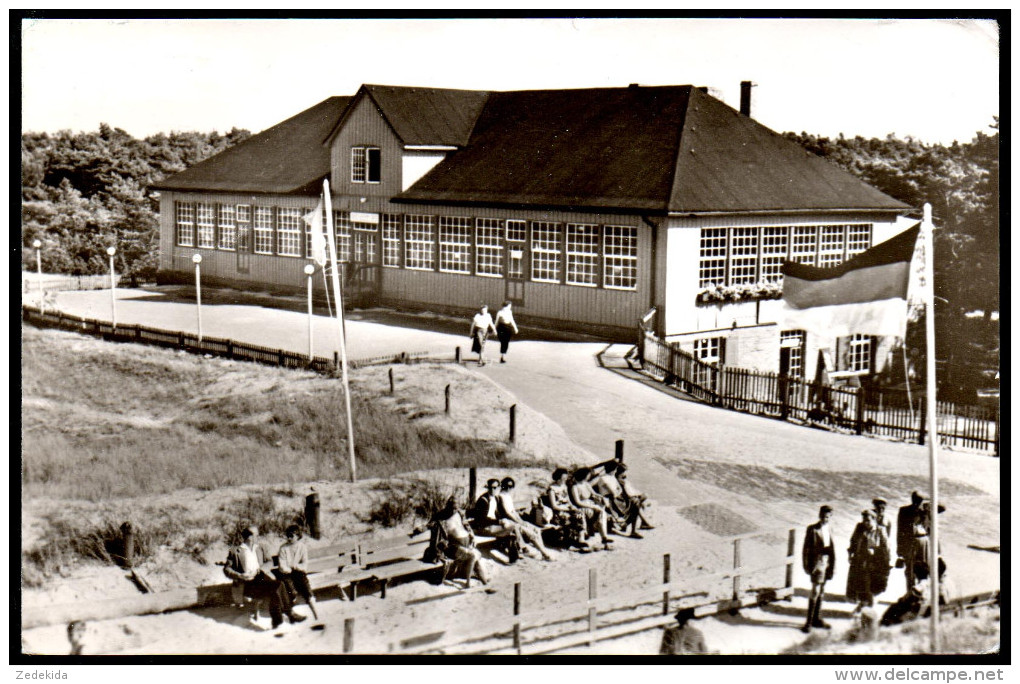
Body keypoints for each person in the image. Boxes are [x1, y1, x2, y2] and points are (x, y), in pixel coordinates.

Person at [223, 526, 305, 629]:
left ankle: (279, 620)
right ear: (249, 537)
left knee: (278, 586)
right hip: (247, 583)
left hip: (261, 578)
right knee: (277, 587)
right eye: (256, 535)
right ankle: (285, 617)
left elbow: (270, 561)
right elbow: (227, 569)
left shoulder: (260, 547)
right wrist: (239, 575)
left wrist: (260, 569)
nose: (258, 536)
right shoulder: (235, 551)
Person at [429, 496, 495, 591]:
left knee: (476, 557)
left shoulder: (460, 513)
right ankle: (468, 583)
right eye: (452, 507)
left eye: (456, 507)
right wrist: (419, 530)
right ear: (447, 505)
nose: (454, 509)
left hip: (466, 544)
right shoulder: (440, 517)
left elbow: (467, 526)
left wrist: (472, 536)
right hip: (452, 547)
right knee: (472, 556)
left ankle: (484, 582)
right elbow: (430, 526)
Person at [496, 477, 555, 561]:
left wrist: (521, 520)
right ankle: (544, 553)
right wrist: (519, 522)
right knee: (531, 533)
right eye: (507, 486)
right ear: (502, 486)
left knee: (536, 530)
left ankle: (543, 551)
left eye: (511, 486)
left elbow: (513, 511)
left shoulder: (507, 496)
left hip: (515, 520)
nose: (509, 488)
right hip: (509, 521)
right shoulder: (500, 496)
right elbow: (507, 513)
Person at [845, 509, 891, 615]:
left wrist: (883, 560)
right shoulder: (859, 527)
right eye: (864, 520)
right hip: (860, 561)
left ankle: (868, 608)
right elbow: (853, 541)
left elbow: (886, 548)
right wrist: (850, 553)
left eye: (868, 520)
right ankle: (863, 605)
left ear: (874, 520)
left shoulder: (880, 530)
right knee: (860, 585)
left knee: (872, 586)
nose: (865, 522)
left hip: (874, 563)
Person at [469, 478, 523, 563]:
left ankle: (515, 554)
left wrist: (501, 520)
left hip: (492, 525)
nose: (492, 490)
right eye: (490, 488)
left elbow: (498, 514)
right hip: (483, 527)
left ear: (499, 488)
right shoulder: (483, 500)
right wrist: (498, 522)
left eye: (495, 488)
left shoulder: (496, 499)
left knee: (510, 528)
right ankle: (517, 551)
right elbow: (482, 520)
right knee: (512, 528)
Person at [801, 505, 836, 633]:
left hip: (827, 562)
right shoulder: (812, 529)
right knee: (815, 590)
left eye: (827, 517)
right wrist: (806, 565)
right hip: (817, 563)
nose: (824, 519)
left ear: (830, 517)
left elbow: (832, 547)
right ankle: (809, 622)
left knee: (821, 590)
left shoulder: (830, 528)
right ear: (819, 515)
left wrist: (833, 565)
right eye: (822, 516)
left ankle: (817, 619)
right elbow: (806, 549)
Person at [275, 524, 320, 620]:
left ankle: (315, 612)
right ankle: (289, 611)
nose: (289, 538)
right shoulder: (283, 548)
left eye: (292, 536)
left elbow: (304, 565)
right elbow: (282, 565)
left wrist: (294, 566)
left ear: (298, 536)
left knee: (305, 585)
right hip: (286, 574)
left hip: (298, 572)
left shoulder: (302, 547)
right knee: (290, 588)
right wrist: (290, 569)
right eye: (288, 535)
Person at [592, 461, 643, 538]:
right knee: (634, 502)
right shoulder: (603, 478)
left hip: (616, 498)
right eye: (615, 469)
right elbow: (613, 492)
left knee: (636, 502)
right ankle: (628, 527)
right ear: (613, 469)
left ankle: (632, 529)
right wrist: (616, 491)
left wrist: (617, 492)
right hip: (610, 500)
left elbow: (619, 490)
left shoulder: (612, 477)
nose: (616, 471)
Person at [568, 467, 614, 547]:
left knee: (602, 512)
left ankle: (604, 536)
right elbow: (577, 502)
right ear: (584, 475)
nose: (589, 476)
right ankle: (599, 534)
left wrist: (603, 498)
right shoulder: (575, 487)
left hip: (590, 504)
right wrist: (593, 506)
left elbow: (594, 493)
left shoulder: (586, 484)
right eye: (588, 475)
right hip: (582, 506)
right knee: (599, 510)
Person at [545, 467, 587, 546]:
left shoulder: (564, 487)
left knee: (579, 514)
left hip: (567, 508)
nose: (565, 480)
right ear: (558, 478)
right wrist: (567, 510)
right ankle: (569, 540)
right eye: (563, 478)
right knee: (568, 517)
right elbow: (554, 506)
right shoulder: (552, 489)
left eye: (565, 478)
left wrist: (573, 507)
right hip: (558, 510)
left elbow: (568, 500)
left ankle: (581, 539)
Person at [896, 492, 925, 589]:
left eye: (919, 501)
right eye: (916, 500)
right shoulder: (904, 511)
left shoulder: (924, 511)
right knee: (909, 570)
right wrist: (899, 549)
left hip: (922, 544)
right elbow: (900, 530)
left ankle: (920, 591)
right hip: (909, 544)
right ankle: (910, 592)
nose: (917, 503)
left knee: (922, 569)